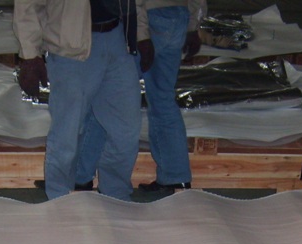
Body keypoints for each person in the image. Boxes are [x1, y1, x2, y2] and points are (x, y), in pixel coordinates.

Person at [13, 0, 153, 202]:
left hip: (117, 40)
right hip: (71, 49)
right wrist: (29, 55)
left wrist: (142, 34)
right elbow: (27, 5)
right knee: (67, 133)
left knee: (126, 130)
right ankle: (59, 200)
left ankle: (116, 196)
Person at [75, 0, 207, 195]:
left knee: (109, 98)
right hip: (178, 16)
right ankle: (175, 177)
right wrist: (192, 26)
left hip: (146, 18)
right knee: (163, 98)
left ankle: (79, 175)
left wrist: (141, 34)